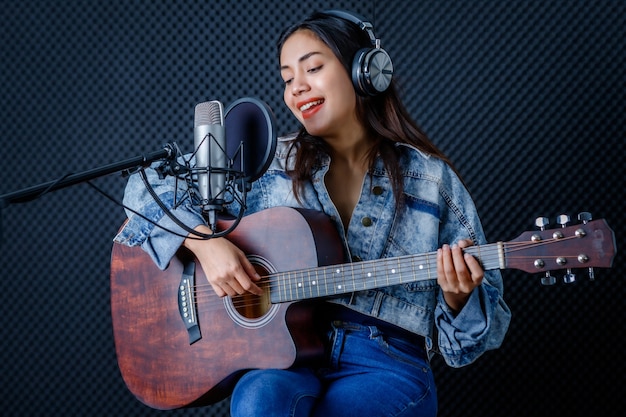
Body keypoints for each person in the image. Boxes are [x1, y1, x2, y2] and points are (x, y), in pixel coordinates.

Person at [115, 9, 511, 417]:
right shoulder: (265, 165)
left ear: (364, 72)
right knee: (256, 400)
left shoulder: (431, 180)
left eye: (313, 68)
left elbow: (472, 342)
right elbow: (143, 186)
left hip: (384, 364)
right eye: (287, 79)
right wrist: (204, 244)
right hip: (281, 355)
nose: (296, 89)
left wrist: (459, 297)